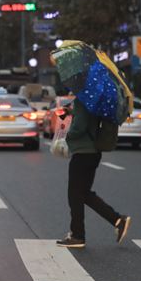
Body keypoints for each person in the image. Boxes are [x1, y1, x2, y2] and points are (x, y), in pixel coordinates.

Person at [57, 98, 131, 248]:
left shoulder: (82, 100)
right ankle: (118, 220)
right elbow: (87, 118)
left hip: (83, 153)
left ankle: (78, 236)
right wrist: (72, 112)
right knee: (84, 194)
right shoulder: (94, 100)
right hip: (92, 153)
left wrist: (66, 136)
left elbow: (80, 127)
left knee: (74, 195)